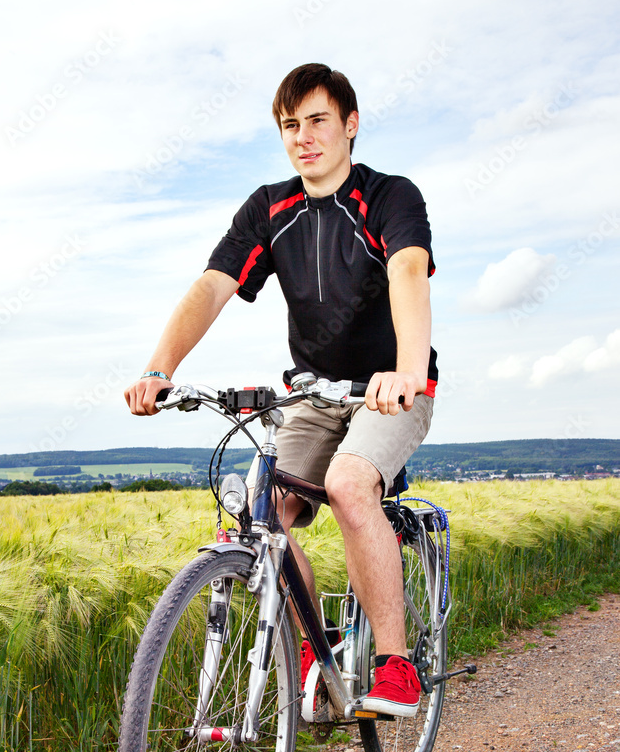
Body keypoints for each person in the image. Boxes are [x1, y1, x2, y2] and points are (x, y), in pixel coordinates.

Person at [124, 63, 438, 717]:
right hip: (313, 394)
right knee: (256, 516)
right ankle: (315, 650)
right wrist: (160, 368)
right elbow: (212, 285)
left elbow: (408, 270)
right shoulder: (270, 208)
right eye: (290, 125)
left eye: (318, 120)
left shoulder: (388, 196)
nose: (303, 137)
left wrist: (406, 370)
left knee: (352, 486)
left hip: (390, 390)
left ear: (349, 126)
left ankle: (395, 664)